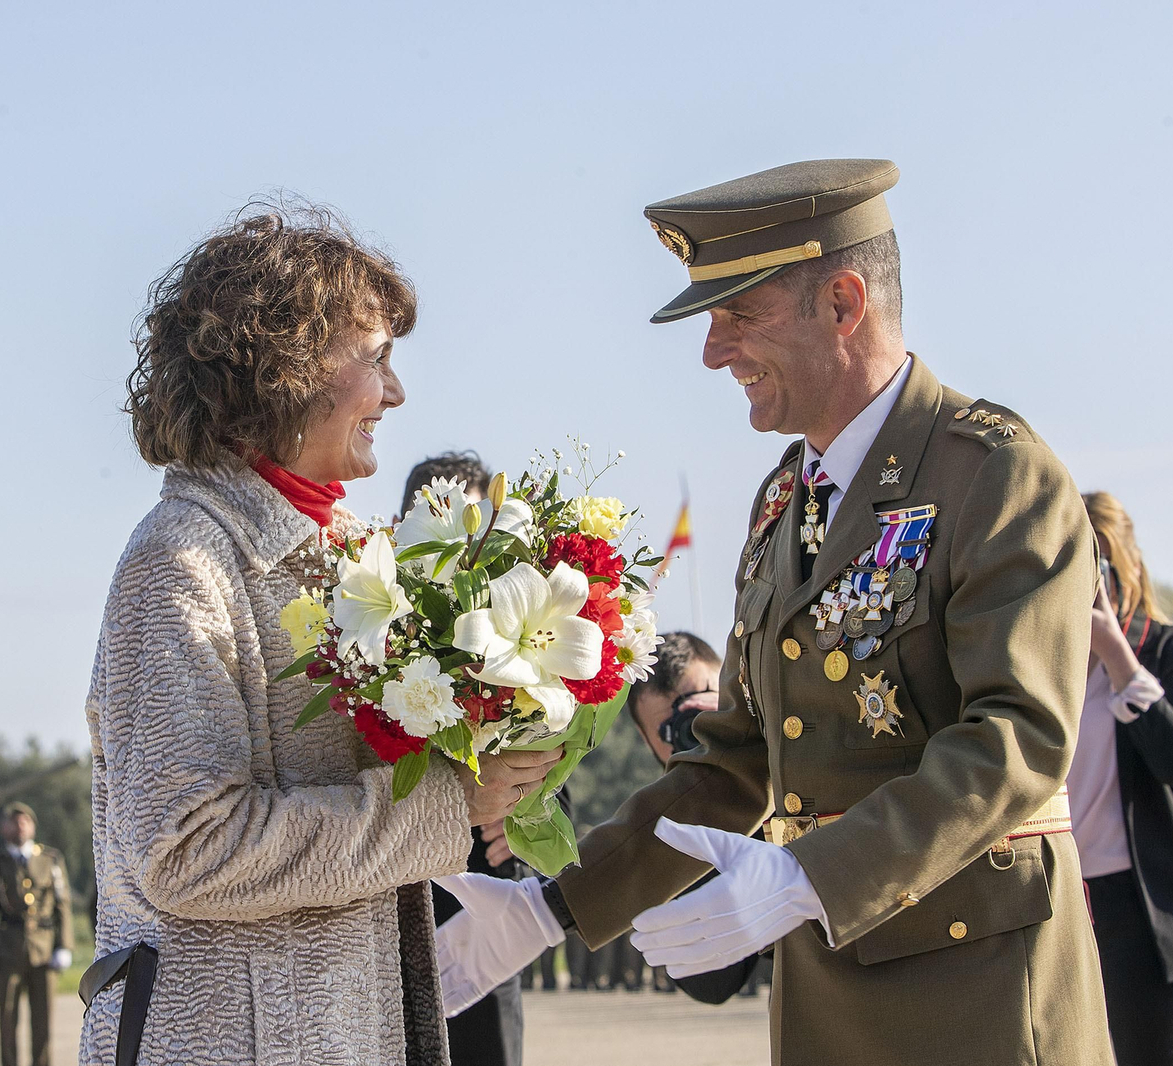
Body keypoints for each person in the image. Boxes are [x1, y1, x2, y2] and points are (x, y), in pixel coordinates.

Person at [435, 159, 1113, 1065]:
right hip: (829, 994)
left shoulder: (992, 473)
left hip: (976, 998)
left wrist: (807, 877)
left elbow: (1019, 739)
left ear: (842, 302)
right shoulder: (782, 503)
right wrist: (554, 905)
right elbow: (738, 757)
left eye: (738, 314)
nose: (714, 352)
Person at [79, 205, 561, 1066]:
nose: (396, 392)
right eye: (375, 359)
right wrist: (451, 806)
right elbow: (188, 851)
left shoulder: (341, 556)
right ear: (285, 368)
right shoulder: (180, 560)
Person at [404, 450, 528, 1065]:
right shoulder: (381, 631)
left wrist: (524, 809)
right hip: (393, 911)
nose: (466, 541)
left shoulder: (518, 630)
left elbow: (553, 768)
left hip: (483, 923)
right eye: (446, 519)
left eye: (480, 522)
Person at [1069, 492, 1173, 1065]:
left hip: (1148, 912)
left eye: (1099, 570)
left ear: (1128, 568)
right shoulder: (1046, 669)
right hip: (1063, 903)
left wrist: (1118, 657)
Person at [628, 632, 770, 1001]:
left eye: (703, 707)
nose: (697, 731)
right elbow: (710, 984)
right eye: (672, 728)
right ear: (647, 740)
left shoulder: (792, 731)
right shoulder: (666, 830)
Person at [0, 801, 73, 1066]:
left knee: (42, 1021)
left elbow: (62, 906)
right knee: (7, 1021)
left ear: (33, 826)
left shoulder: (50, 859)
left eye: (24, 821)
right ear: (3, 827)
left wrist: (64, 946)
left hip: (43, 948)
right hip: (7, 949)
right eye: (13, 821)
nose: (19, 826)